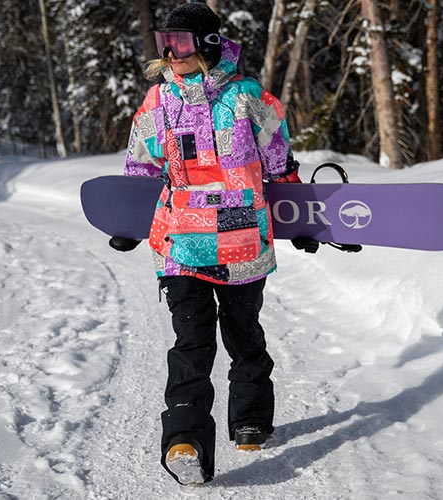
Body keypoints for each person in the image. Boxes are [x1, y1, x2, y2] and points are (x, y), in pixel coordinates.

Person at [108, 2, 318, 485]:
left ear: (204, 44)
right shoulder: (157, 102)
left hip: (243, 243)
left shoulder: (248, 99)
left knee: (244, 335)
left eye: (179, 42)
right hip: (181, 242)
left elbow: (279, 164)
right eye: (164, 41)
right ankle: (186, 443)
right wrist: (127, 217)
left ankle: (249, 419)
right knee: (191, 345)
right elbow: (140, 166)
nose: (169, 52)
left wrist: (302, 218)